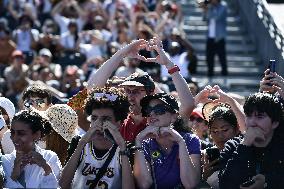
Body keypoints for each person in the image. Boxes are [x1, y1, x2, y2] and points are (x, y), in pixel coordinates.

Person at [87, 37, 194, 142]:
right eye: (127, 90)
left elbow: (188, 105)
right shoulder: (118, 116)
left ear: (150, 94)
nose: (130, 96)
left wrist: (169, 64)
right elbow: (92, 90)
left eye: (136, 91)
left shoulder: (161, 120)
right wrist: (121, 54)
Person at [59, 87, 134, 189]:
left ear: (119, 123)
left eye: (105, 119)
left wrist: (122, 147)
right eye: (94, 118)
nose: (98, 124)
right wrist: (81, 144)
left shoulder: (127, 149)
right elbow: (62, 184)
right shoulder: (78, 142)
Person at [134, 93, 201, 189]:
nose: (152, 114)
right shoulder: (144, 144)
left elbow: (190, 184)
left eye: (159, 110)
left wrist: (181, 143)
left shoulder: (190, 140)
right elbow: (144, 184)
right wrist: (138, 141)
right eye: (148, 111)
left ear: (174, 116)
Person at [219, 92, 284, 189]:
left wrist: (267, 182)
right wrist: (245, 145)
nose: (252, 122)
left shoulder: (281, 146)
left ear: (274, 123)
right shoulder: (233, 145)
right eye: (249, 116)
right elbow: (225, 184)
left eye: (259, 117)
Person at [2, 109, 61, 188]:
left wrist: (46, 167)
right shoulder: (5, 161)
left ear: (37, 134)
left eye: (21, 133)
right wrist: (14, 175)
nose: (15, 138)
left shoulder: (50, 157)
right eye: (12, 132)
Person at [200, 0, 228, 77]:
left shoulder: (223, 6)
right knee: (209, 57)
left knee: (221, 57)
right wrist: (204, 9)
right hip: (210, 36)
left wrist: (207, 9)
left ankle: (224, 74)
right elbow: (204, 18)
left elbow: (216, 16)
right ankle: (210, 74)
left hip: (219, 37)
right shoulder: (210, 7)